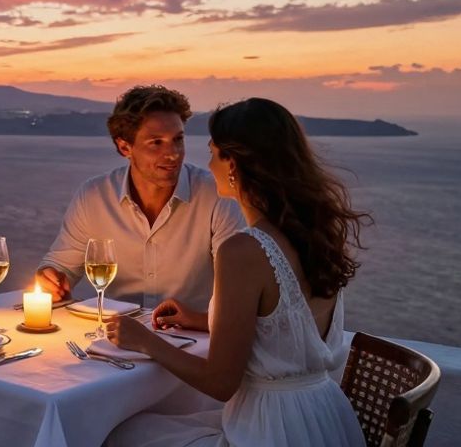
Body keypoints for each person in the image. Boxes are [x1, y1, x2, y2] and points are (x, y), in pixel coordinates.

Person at [103, 97, 371, 447]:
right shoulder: (314, 233)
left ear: (235, 163)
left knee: (120, 434)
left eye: (214, 152)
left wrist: (144, 340)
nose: (208, 163)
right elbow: (287, 324)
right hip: (323, 418)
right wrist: (204, 319)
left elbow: (220, 383)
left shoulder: (244, 249)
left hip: (269, 431)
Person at [36, 85, 243, 310]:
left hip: (196, 339)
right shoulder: (94, 197)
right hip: (117, 336)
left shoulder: (216, 196)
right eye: (156, 142)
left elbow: (238, 294)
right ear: (125, 147)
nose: (173, 153)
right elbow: (61, 266)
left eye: (178, 139)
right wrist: (50, 280)